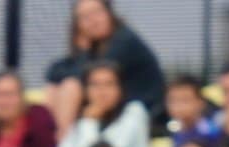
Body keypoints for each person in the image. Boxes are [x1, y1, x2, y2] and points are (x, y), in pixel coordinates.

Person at [44, 0, 164, 139]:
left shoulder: (124, 41)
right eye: (84, 17)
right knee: (55, 88)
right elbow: (53, 72)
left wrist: (83, 52)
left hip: (144, 117)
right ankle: (52, 145)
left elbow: (86, 76)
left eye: (96, 12)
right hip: (113, 113)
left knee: (71, 86)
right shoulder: (98, 45)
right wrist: (82, 54)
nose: (92, 21)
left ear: (109, 13)